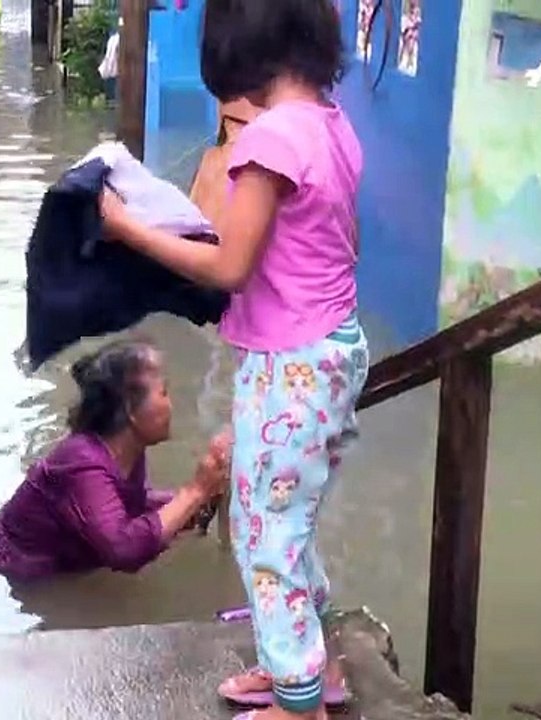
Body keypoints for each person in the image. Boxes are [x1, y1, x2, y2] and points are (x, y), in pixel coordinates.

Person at [98, 0, 364, 717]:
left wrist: (127, 228)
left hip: (290, 365)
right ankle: (311, 671)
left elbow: (226, 268)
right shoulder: (333, 128)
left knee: (263, 533)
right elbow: (338, 245)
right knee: (289, 520)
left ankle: (300, 701)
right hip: (334, 350)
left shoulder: (272, 139)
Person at [0, 340, 231, 581]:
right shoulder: (81, 461)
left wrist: (199, 502)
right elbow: (123, 549)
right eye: (163, 393)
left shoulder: (124, 451)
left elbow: (128, 506)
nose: (171, 405)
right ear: (130, 410)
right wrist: (195, 492)